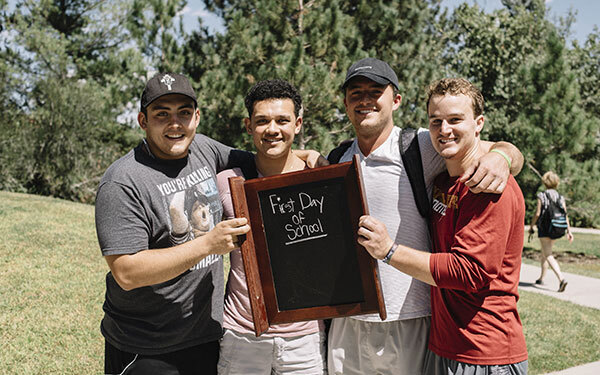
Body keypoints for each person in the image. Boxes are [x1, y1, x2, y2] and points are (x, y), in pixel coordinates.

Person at [95, 73, 322, 375]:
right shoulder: (123, 181)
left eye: (184, 113)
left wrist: (308, 156)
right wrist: (207, 244)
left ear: (197, 118)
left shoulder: (204, 150)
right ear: (142, 121)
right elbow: (126, 272)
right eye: (162, 115)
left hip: (207, 334)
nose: (175, 124)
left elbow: (266, 156)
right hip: (146, 344)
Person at [326, 59, 524, 375]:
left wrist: (503, 156)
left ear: (396, 100)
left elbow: (491, 149)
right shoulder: (337, 158)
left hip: (412, 318)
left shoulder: (420, 145)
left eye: (376, 91)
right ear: (345, 102)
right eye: (355, 92)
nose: (365, 99)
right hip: (349, 316)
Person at [216, 79, 327, 374]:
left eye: (282, 120)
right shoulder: (227, 182)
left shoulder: (320, 180)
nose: (272, 129)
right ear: (248, 125)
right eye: (262, 121)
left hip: (305, 338)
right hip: (242, 333)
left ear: (298, 124)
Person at [528, 171, 573, 292]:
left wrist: (531, 226)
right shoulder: (560, 197)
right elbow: (565, 214)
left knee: (548, 254)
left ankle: (561, 279)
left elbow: (537, 213)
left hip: (545, 228)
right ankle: (541, 278)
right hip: (557, 228)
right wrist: (569, 231)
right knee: (545, 252)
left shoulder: (542, 195)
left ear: (545, 182)